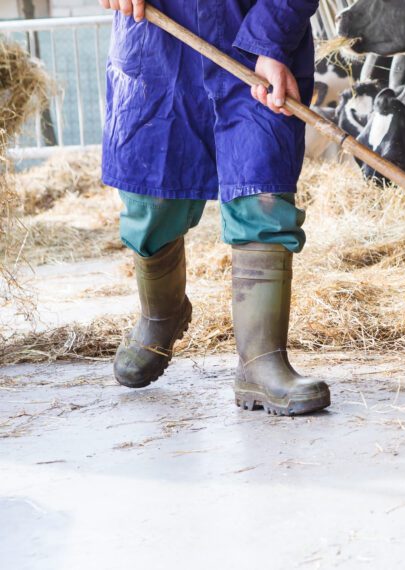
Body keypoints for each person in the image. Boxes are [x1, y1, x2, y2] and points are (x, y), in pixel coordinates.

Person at [99, 0, 330, 415]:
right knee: (152, 198)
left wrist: (271, 40)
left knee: (262, 192)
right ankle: (161, 315)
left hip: (253, 38)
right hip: (157, 40)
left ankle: (261, 363)